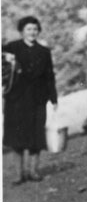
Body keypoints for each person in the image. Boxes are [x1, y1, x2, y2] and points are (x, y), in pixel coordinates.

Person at [3, 15, 58, 183]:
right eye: (28, 29)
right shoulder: (11, 48)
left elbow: (50, 76)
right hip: (16, 99)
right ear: (22, 31)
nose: (32, 32)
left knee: (36, 134)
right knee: (16, 136)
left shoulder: (44, 52)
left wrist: (53, 98)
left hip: (37, 99)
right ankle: (19, 174)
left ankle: (33, 171)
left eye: (35, 29)